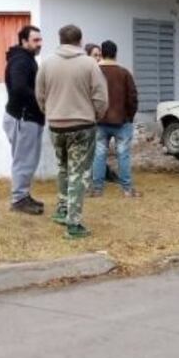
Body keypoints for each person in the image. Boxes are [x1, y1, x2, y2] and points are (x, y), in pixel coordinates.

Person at [36, 25, 109, 239]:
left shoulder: (47, 63)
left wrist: (50, 112)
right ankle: (73, 224)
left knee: (63, 168)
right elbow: (100, 96)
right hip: (82, 125)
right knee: (78, 173)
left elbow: (40, 95)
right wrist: (96, 115)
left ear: (60, 39)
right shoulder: (89, 64)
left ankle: (62, 209)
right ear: (80, 40)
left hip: (56, 124)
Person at [3, 25, 45, 215]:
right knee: (24, 160)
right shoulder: (21, 61)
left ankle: (23, 195)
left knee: (28, 159)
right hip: (23, 117)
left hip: (27, 117)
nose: (39, 44)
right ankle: (19, 199)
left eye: (40, 40)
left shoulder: (26, 59)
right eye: (35, 40)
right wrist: (41, 99)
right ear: (24, 41)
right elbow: (19, 88)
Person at [90, 40, 140, 198]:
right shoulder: (124, 73)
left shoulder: (94, 72)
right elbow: (133, 97)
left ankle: (97, 189)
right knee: (123, 155)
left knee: (99, 154)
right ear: (115, 54)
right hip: (122, 121)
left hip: (99, 122)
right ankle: (127, 189)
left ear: (102, 53)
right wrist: (130, 116)